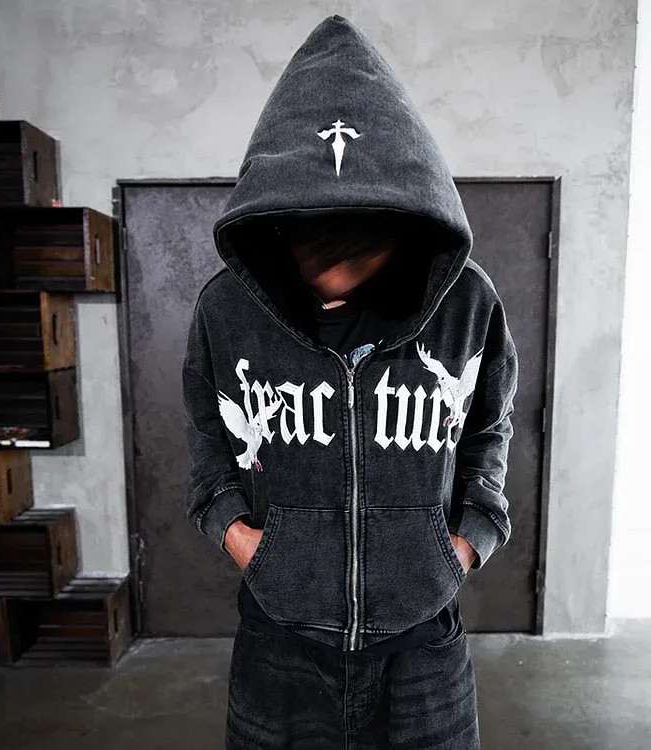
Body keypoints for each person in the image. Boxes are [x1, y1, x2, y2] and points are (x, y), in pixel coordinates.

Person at [182, 14, 519, 749]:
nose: (330, 281)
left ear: (399, 224)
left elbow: (487, 431)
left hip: (423, 649)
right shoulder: (227, 309)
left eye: (355, 256)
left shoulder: (466, 302)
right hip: (278, 645)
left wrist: (465, 542)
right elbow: (209, 444)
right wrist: (240, 537)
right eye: (312, 246)